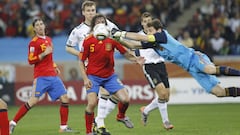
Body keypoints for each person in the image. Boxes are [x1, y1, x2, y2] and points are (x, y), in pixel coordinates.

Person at [112, 18, 240, 101]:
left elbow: (142, 38)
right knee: (218, 92)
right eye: (148, 31)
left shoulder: (162, 36)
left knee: (209, 69)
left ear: (159, 29)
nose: (149, 33)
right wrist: (118, 39)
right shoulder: (154, 43)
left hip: (194, 58)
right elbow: (133, 45)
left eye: (151, 30)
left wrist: (122, 33)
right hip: (191, 68)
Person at [65, 0, 134, 133]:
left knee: (115, 96)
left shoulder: (106, 25)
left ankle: (100, 123)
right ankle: (98, 125)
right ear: (83, 13)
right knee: (101, 96)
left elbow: (118, 37)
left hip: (107, 65)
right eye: (88, 11)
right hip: (90, 68)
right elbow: (68, 47)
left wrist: (132, 50)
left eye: (93, 10)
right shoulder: (78, 31)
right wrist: (82, 54)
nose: (91, 13)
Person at [79, 15, 145, 135]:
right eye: (98, 22)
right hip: (93, 77)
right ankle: (89, 132)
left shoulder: (112, 39)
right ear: (94, 25)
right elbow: (81, 61)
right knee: (92, 103)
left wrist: (136, 59)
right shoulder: (88, 40)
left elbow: (125, 53)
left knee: (125, 99)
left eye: (103, 22)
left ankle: (121, 116)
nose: (100, 23)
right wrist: (85, 78)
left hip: (109, 76)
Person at [9, 18, 77, 134]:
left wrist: (54, 66)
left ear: (44, 26)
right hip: (41, 77)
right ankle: (13, 123)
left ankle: (63, 127)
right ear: (34, 29)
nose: (40, 26)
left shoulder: (49, 40)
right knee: (33, 101)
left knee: (65, 99)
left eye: (41, 24)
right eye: (37, 25)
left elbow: (50, 58)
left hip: (53, 76)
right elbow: (30, 60)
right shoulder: (33, 42)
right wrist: (43, 54)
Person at [136, 12, 173, 129]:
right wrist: (137, 58)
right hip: (149, 66)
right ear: (142, 23)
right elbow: (134, 48)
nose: (147, 23)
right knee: (161, 94)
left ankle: (145, 110)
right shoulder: (139, 35)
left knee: (166, 97)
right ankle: (166, 122)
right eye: (145, 21)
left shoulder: (157, 34)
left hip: (161, 64)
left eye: (149, 21)